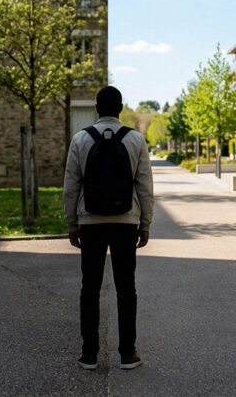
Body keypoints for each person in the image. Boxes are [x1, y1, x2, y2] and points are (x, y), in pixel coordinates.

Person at [63, 86, 154, 371]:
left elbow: (70, 187)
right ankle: (128, 354)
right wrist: (146, 223)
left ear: (96, 108)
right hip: (126, 222)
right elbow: (145, 187)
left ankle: (89, 354)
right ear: (121, 108)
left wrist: (72, 223)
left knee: (89, 289)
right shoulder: (135, 139)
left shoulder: (80, 139)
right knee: (127, 289)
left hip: (90, 222)